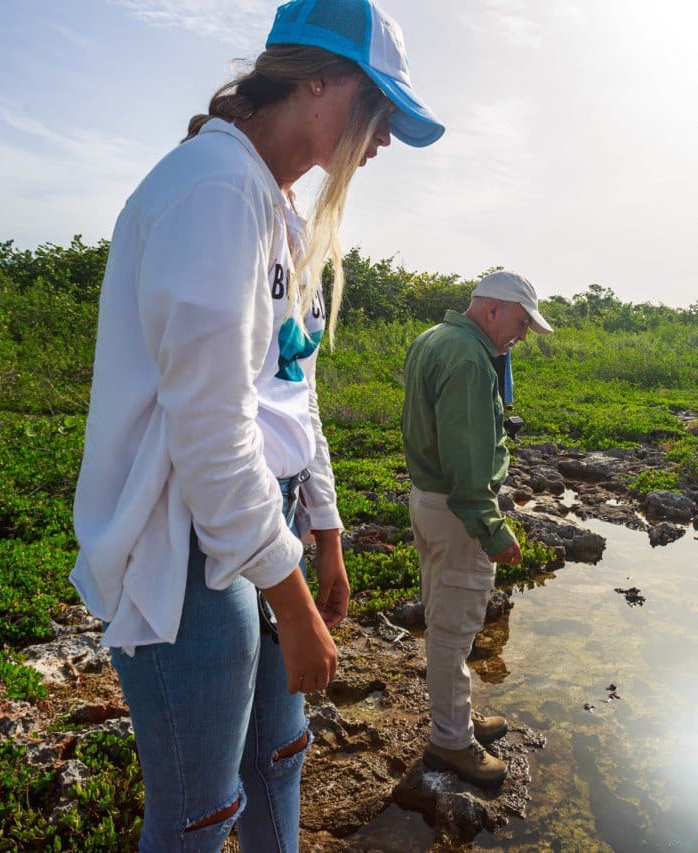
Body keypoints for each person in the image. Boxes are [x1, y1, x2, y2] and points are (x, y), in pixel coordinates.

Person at [70, 1, 443, 848]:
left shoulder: (274, 206)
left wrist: (326, 529)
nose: (382, 140)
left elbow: (290, 388)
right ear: (317, 79)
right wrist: (293, 602)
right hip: (192, 545)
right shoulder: (213, 192)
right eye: (378, 110)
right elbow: (209, 428)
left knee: (280, 754)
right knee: (200, 810)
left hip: (259, 521)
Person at [401, 271, 553, 787]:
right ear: (493, 310)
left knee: (446, 616)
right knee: (453, 629)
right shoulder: (469, 359)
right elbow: (467, 463)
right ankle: (450, 744)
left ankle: (457, 719)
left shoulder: (435, 338)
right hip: (457, 510)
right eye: (521, 321)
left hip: (430, 501)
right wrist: (492, 528)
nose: (523, 334)